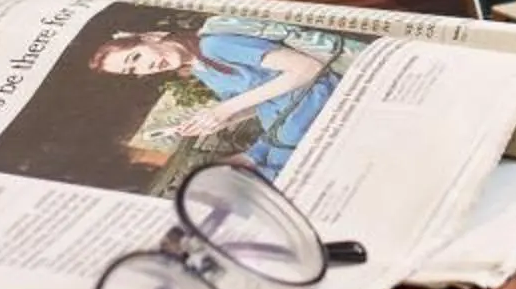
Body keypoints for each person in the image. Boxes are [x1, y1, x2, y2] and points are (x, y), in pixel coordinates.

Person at [90, 19, 352, 176]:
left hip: (312, 109)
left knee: (267, 183)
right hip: (282, 125)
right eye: (131, 70)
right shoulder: (201, 70)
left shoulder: (215, 45)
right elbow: (256, 102)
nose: (144, 67)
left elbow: (308, 68)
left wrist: (226, 108)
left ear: (150, 38)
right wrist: (220, 120)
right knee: (227, 173)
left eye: (135, 57)